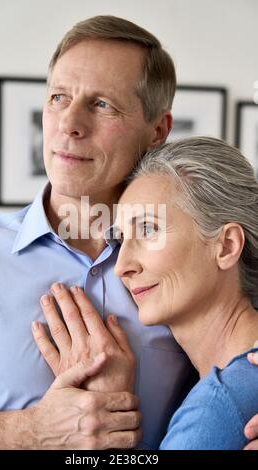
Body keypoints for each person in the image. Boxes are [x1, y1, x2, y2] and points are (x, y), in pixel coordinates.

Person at [0, 15, 257, 450]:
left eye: (102, 105)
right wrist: (28, 431)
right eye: (58, 98)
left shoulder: (190, 266)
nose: (69, 124)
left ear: (158, 130)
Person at [111, 137, 258, 449]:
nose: (121, 266)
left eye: (148, 229)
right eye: (121, 239)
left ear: (227, 246)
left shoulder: (219, 405)